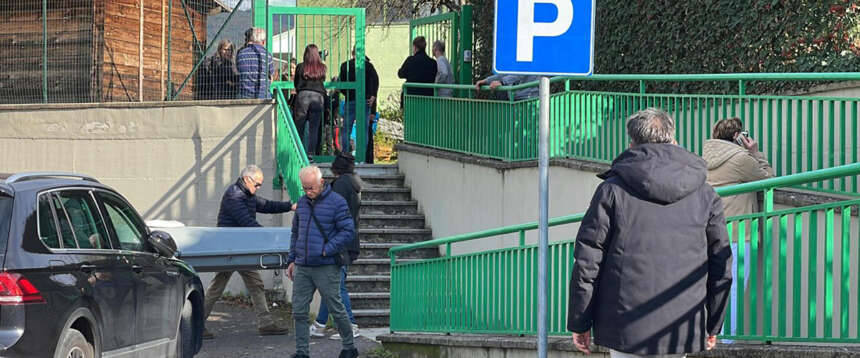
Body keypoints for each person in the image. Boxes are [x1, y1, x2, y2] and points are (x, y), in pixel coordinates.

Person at [568, 108, 732, 357]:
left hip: (625, 326)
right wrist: (713, 324)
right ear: (674, 140)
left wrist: (580, 321)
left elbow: (588, 261)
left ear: (631, 143)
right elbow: (721, 263)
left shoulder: (611, 191)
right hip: (681, 323)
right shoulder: (705, 194)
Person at [203, 165, 295, 339]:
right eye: (257, 184)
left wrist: (290, 206)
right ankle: (196, 325)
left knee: (255, 284)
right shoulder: (234, 195)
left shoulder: (247, 194)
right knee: (218, 287)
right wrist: (271, 238)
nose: (258, 187)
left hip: (241, 248)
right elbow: (247, 222)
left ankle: (266, 323)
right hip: (229, 250)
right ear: (247, 180)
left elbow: (267, 205)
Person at [702, 117, 774, 337]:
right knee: (733, 290)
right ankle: (727, 341)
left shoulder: (702, 159)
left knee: (712, 288)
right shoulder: (741, 158)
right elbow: (768, 178)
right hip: (739, 232)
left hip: (709, 231)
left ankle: (710, 337)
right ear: (737, 136)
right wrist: (756, 152)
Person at [287, 166, 358, 358]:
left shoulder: (337, 202)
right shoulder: (302, 203)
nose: (308, 192)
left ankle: (349, 347)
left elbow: (348, 231)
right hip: (303, 265)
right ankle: (302, 352)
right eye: (305, 188)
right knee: (299, 311)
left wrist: (327, 250)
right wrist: (292, 259)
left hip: (326, 265)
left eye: (311, 187)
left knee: (336, 307)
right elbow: (296, 233)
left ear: (321, 182)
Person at [310, 153, 363, 340]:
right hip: (348, 240)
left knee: (337, 286)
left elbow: (331, 212)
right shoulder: (352, 183)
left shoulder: (340, 185)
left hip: (338, 242)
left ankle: (350, 326)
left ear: (335, 168)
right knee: (331, 285)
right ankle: (319, 325)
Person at [337, 46, 380, 157]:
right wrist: (372, 95)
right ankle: (362, 155)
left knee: (347, 129)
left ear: (352, 53)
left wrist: (347, 94)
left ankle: (345, 154)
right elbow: (375, 80)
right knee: (363, 130)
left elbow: (340, 84)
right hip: (364, 101)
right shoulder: (367, 66)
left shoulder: (345, 66)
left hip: (350, 100)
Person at [294, 44, 327, 157]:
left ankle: (298, 152)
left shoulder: (300, 67)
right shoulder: (322, 67)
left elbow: (296, 83)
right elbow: (323, 80)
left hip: (303, 95)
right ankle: (311, 154)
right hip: (318, 97)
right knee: (314, 128)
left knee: (299, 126)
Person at [237, 27, 275, 99]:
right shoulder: (267, 55)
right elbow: (271, 77)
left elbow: (239, 70)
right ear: (263, 42)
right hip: (263, 95)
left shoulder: (241, 53)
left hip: (244, 95)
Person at [474, 74, 540, 101]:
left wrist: (502, 82)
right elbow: (505, 73)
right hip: (516, 99)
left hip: (529, 99)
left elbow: (520, 73)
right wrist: (486, 81)